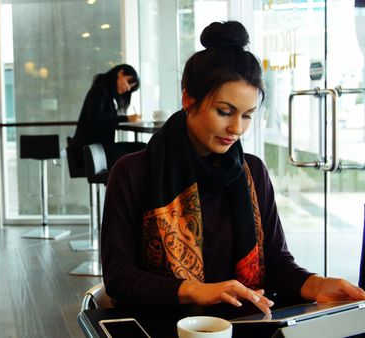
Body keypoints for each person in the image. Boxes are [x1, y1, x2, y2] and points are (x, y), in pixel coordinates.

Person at [101, 21, 365, 318]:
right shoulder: (134, 172)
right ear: (188, 98)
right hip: (164, 325)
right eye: (224, 112)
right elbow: (119, 278)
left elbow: (276, 262)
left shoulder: (252, 171)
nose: (236, 128)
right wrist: (197, 290)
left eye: (248, 115)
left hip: (243, 322)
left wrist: (314, 284)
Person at [72, 64, 146, 168]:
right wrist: (127, 118)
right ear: (120, 73)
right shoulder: (100, 90)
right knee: (139, 154)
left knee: (143, 148)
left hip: (100, 148)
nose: (128, 88)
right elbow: (96, 118)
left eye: (131, 88)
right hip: (92, 151)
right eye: (129, 82)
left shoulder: (107, 93)